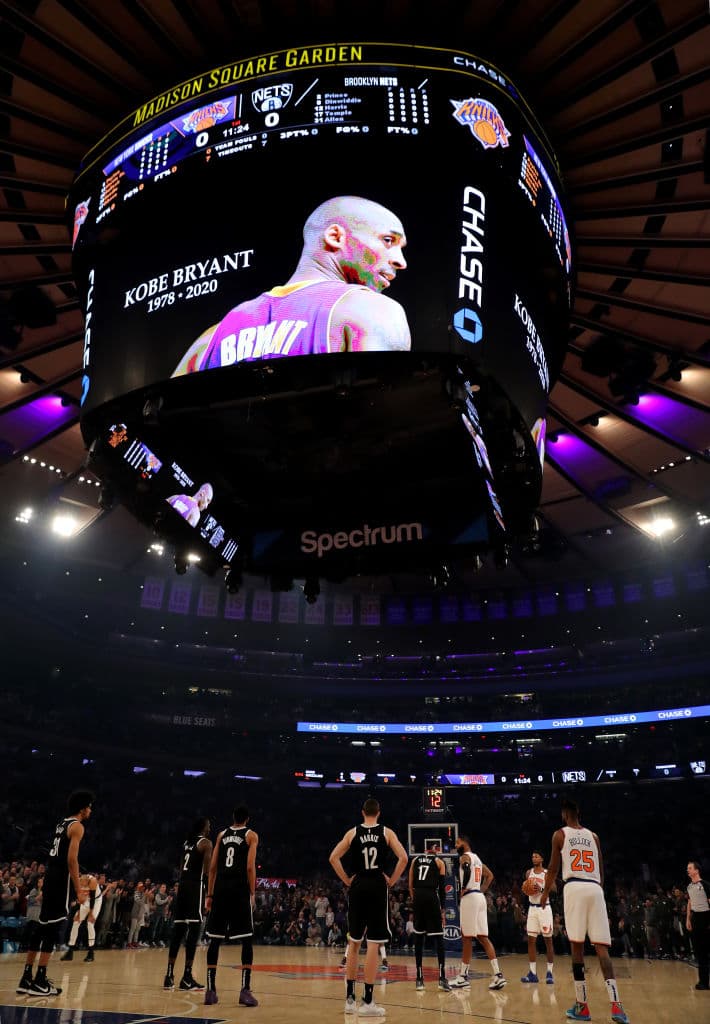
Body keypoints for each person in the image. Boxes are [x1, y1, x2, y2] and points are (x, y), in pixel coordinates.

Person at [172, 195, 410, 375]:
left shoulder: (212, 337)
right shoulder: (373, 311)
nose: (401, 262)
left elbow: (155, 434)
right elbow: (385, 419)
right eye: (388, 241)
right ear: (335, 237)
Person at [540, 798, 630, 1024]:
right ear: (579, 813)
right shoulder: (594, 836)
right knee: (602, 950)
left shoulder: (559, 834)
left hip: (574, 887)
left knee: (577, 947)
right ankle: (617, 1006)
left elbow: (552, 868)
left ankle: (582, 1006)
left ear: (564, 814)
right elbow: (601, 868)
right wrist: (598, 890)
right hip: (595, 888)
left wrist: (544, 895)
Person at [329, 797, 408, 1017]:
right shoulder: (386, 832)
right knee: (373, 944)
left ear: (362, 812)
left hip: (358, 884)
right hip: (376, 885)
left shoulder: (352, 833)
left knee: (354, 942)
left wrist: (346, 878)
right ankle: (368, 1001)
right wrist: (391, 880)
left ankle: (349, 1000)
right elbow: (403, 857)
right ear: (378, 813)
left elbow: (333, 857)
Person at [16, 789, 94, 997]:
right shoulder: (77, 826)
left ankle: (26, 977)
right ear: (82, 807)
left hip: (51, 876)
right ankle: (40, 979)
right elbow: (71, 859)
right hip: (61, 880)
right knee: (51, 930)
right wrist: (79, 889)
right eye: (89, 806)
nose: (91, 810)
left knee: (41, 927)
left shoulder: (62, 823)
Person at [203, 805, 258, 1007]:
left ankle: (210, 991)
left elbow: (213, 867)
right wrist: (252, 892)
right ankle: (245, 990)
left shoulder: (222, 834)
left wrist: (209, 894)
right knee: (246, 940)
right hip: (239, 889)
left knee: (215, 940)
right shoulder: (251, 835)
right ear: (247, 819)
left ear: (233, 818)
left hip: (221, 889)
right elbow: (250, 866)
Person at [449, 835, 506, 992]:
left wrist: (463, 887)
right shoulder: (478, 859)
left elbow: (466, 868)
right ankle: (498, 974)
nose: (456, 845)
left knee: (466, 938)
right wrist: (482, 889)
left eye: (458, 842)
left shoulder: (465, 857)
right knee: (483, 937)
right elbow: (490, 875)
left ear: (465, 843)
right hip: (480, 898)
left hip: (470, 898)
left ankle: (462, 977)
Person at [164, 816, 212, 991]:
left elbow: (180, 865)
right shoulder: (206, 843)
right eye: (208, 825)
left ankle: (169, 976)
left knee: (177, 932)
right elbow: (206, 872)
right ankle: (187, 977)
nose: (210, 827)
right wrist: (209, 893)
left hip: (182, 887)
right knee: (194, 931)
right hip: (195, 887)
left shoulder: (186, 843)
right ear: (203, 828)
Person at [408, 844, 451, 991]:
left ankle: (419, 979)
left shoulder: (415, 860)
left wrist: (415, 900)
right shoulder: (439, 862)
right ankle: (442, 978)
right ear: (436, 851)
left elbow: (410, 884)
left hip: (418, 896)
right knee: (439, 938)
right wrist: (443, 911)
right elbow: (443, 890)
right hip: (431, 897)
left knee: (419, 937)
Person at [521, 850, 556, 985]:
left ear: (541, 858)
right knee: (531, 941)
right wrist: (527, 888)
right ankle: (532, 973)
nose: (533, 858)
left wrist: (541, 889)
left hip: (544, 908)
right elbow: (527, 888)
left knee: (548, 941)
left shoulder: (546, 873)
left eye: (536, 856)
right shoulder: (528, 873)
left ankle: (549, 973)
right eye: (532, 856)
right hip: (532, 909)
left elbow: (554, 889)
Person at [60, 872, 102, 962]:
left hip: (96, 900)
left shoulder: (93, 880)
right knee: (76, 921)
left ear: (85, 880)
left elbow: (93, 899)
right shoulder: (77, 881)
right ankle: (70, 951)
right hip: (87, 900)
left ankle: (91, 952)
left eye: (82, 884)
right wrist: (79, 912)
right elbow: (80, 898)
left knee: (90, 924)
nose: (81, 885)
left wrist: (91, 914)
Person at [685, 860, 710, 990]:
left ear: (696, 870)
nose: (688, 870)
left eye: (690, 868)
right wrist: (688, 919)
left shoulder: (705, 885)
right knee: (700, 953)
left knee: (706, 952)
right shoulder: (689, 886)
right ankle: (703, 982)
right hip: (695, 919)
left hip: (705, 918)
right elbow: (689, 903)